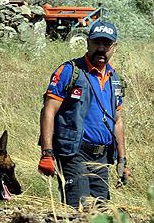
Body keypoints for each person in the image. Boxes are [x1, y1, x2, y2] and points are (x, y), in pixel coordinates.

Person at [38, 20, 130, 208]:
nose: (102, 48)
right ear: (88, 42)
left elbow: (117, 121)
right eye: (97, 43)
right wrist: (47, 153)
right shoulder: (70, 71)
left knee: (101, 214)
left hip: (102, 159)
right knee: (80, 210)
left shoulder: (115, 80)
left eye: (107, 44)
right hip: (74, 153)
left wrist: (122, 160)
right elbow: (49, 110)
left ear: (115, 47)